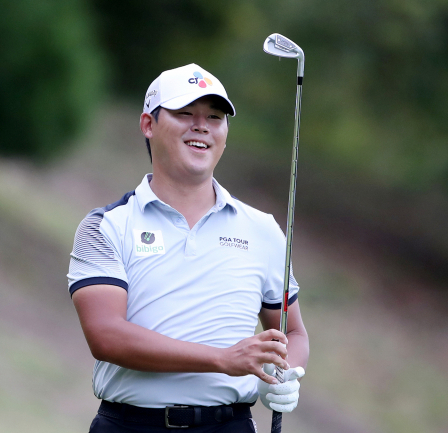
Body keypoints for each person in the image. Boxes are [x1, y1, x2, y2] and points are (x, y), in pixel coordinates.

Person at [68, 63, 309, 433]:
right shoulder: (106, 226)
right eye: (185, 113)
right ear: (148, 124)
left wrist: (285, 372)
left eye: (214, 117)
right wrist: (223, 359)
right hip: (130, 425)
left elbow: (293, 333)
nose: (202, 126)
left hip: (228, 425)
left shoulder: (263, 230)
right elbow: (106, 336)